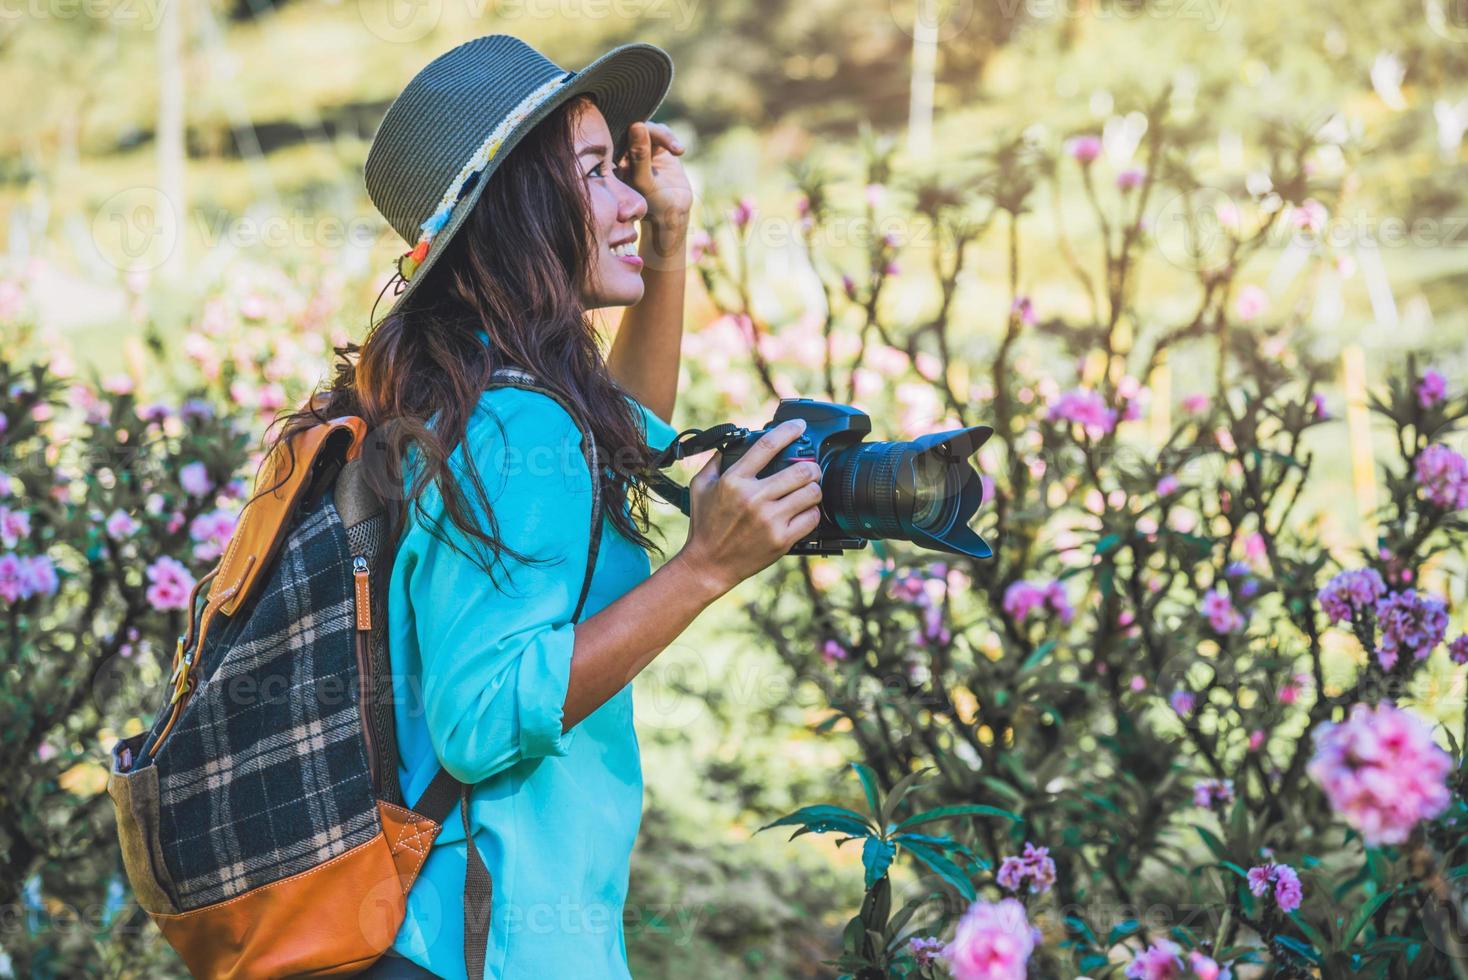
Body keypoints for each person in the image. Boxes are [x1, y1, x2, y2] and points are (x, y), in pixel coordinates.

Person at [275, 35, 824, 979]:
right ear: (519, 211)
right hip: (492, 937)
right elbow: (482, 719)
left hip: (438, 923)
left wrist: (667, 244)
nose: (631, 196)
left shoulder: (474, 380)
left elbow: (620, 443)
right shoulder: (506, 423)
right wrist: (704, 571)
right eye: (599, 173)